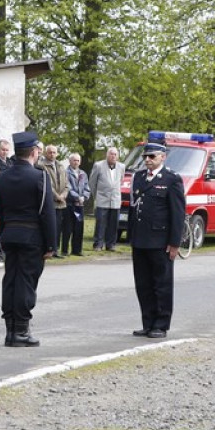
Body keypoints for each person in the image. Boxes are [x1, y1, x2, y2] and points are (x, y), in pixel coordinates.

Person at [0, 131, 56, 347]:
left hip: (10, 234)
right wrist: (51, 244)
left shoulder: (2, 177)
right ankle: (21, 331)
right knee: (26, 283)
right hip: (32, 237)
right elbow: (47, 213)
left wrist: (4, 233)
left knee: (10, 281)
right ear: (33, 152)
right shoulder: (40, 177)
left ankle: (11, 330)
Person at [127, 142, 185, 339]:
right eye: (146, 157)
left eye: (152, 156)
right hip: (141, 239)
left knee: (161, 284)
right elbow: (135, 209)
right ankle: (148, 322)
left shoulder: (171, 179)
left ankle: (161, 324)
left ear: (163, 157)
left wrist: (175, 243)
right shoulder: (139, 177)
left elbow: (177, 213)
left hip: (160, 241)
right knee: (143, 284)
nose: (147, 160)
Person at [89, 146, 125, 251]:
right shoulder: (98, 165)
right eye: (111, 154)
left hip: (115, 199)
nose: (113, 156)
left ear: (117, 156)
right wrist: (97, 195)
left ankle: (111, 244)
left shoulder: (122, 166)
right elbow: (92, 182)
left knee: (113, 224)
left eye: (115, 154)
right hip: (102, 199)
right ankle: (98, 244)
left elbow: (120, 180)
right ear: (107, 155)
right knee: (101, 223)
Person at [41, 144, 69, 258]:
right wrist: (56, 195)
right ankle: (50, 249)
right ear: (45, 153)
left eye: (54, 152)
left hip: (61, 202)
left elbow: (66, 184)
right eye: (50, 152)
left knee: (59, 227)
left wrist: (63, 195)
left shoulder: (61, 166)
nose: (52, 154)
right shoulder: (42, 166)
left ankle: (56, 249)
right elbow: (46, 183)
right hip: (51, 201)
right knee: (50, 227)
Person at [63, 153, 90, 256]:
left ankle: (77, 250)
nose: (76, 162)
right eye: (74, 160)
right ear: (70, 161)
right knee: (67, 228)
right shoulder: (66, 173)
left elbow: (87, 188)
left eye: (78, 160)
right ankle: (65, 250)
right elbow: (68, 188)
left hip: (80, 205)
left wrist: (84, 197)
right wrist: (77, 197)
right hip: (70, 204)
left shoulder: (83, 173)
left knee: (79, 228)